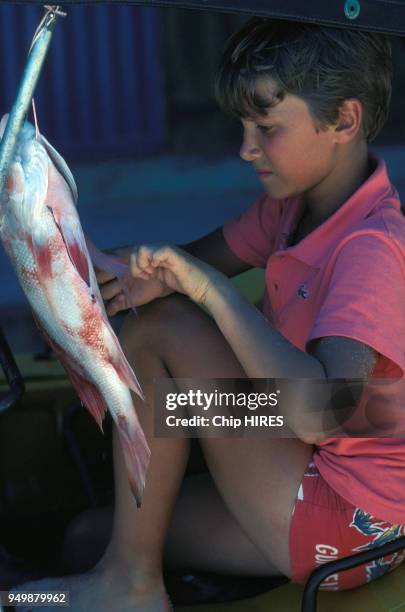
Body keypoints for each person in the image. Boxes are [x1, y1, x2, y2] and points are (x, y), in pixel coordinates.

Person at [17, 17, 405, 612]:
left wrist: (211, 290)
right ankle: (126, 569)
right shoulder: (291, 211)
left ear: (344, 121)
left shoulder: (371, 249)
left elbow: (320, 414)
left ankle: (132, 586)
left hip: (346, 520)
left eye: (267, 128)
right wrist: (58, 251)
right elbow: (163, 272)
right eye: (244, 127)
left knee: (165, 326)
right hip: (291, 460)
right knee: (86, 536)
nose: (246, 148)